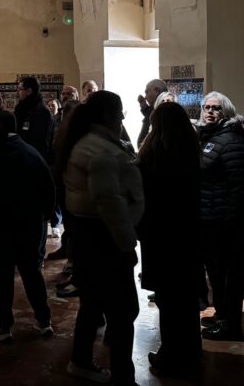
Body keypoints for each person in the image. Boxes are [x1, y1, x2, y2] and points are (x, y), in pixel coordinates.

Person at [58, 91, 143, 386]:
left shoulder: (85, 143)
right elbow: (110, 205)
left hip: (89, 239)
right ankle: (123, 376)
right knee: (123, 312)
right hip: (105, 240)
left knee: (92, 303)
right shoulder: (101, 152)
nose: (122, 118)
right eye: (120, 112)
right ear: (107, 115)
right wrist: (127, 244)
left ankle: (80, 360)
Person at [138, 101, 202, 376]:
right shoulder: (191, 151)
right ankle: (191, 353)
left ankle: (171, 356)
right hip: (187, 234)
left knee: (168, 299)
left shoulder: (152, 156)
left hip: (160, 236)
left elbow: (143, 198)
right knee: (186, 298)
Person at [0, 110, 57, 342]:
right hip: (28, 225)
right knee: (32, 272)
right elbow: (48, 187)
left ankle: (4, 325)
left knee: (2, 276)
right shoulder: (30, 153)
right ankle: (44, 320)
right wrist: (46, 216)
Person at [197, 91, 244, 341]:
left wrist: (230, 223)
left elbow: (239, 188)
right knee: (217, 275)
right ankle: (222, 316)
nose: (210, 112)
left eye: (216, 108)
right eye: (207, 107)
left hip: (225, 223)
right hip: (211, 220)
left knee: (228, 276)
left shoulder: (230, 141)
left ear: (226, 112)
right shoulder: (211, 137)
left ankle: (230, 325)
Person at [14, 76, 55, 163]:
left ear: (29, 91)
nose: (17, 93)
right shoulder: (24, 109)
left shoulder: (42, 112)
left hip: (32, 161)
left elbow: (40, 144)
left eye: (20, 89)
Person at [136, 79, 169, 148]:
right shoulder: (162, 105)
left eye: (147, 92)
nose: (145, 97)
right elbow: (152, 117)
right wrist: (144, 107)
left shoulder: (166, 107)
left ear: (157, 91)